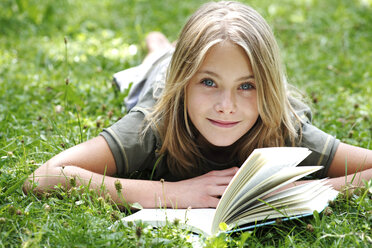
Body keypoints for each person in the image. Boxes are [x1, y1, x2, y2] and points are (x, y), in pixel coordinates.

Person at [23, 1, 371, 209]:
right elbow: (44, 177)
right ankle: (159, 47)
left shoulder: (286, 128)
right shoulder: (153, 125)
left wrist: (306, 190)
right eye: (208, 83)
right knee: (159, 59)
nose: (226, 106)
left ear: (266, 87)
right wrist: (171, 193)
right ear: (184, 84)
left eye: (247, 86)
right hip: (161, 75)